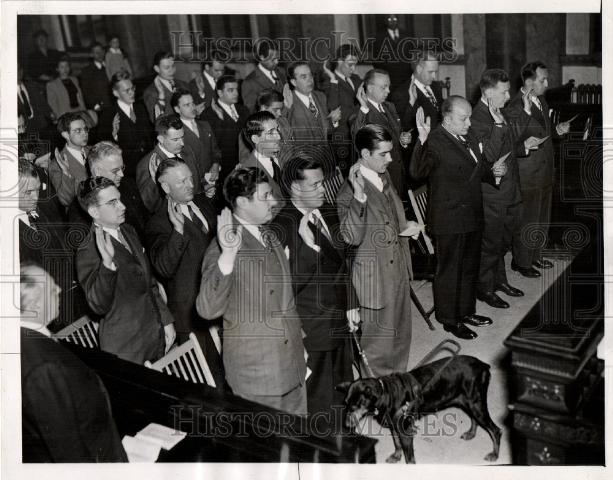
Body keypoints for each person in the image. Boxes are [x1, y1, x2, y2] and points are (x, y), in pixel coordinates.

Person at [196, 168, 307, 415]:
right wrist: (227, 256)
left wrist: (298, 344)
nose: (275, 201)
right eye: (265, 196)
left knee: (299, 440)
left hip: (290, 360)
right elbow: (207, 309)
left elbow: (284, 298)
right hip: (258, 372)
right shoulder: (222, 246)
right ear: (243, 202)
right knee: (270, 448)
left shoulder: (267, 233)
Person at [410, 96, 505, 339]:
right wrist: (421, 139)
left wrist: (493, 171)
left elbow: (479, 167)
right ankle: (450, 319)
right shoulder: (435, 140)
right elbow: (417, 172)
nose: (469, 123)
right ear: (448, 118)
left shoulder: (469, 136)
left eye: (469, 117)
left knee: (469, 267)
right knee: (451, 271)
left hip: (472, 213)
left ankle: (466, 311)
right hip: (449, 218)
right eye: (463, 118)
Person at [273, 155, 356, 427]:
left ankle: (344, 432)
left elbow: (343, 264)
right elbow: (283, 288)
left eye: (323, 183)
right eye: (316, 184)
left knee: (344, 387)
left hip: (340, 318)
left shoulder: (327, 211)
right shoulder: (282, 227)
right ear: (296, 188)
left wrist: (351, 304)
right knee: (319, 399)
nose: (323, 189)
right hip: (313, 329)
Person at [20, 262, 128, 463]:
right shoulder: (44, 369)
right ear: (35, 305)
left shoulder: (24, 339)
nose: (60, 290)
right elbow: (69, 453)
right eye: (52, 290)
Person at [336, 124, 419, 376]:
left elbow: (390, 215)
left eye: (390, 152)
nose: (390, 158)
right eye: (383, 154)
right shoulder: (348, 194)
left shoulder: (383, 176)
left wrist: (402, 227)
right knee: (378, 348)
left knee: (401, 337)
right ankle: (378, 399)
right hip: (373, 278)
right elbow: (350, 237)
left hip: (397, 269)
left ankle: (397, 390)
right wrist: (360, 198)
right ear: (364, 154)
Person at [76, 176, 176, 364]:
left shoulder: (128, 231)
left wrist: (166, 320)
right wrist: (107, 265)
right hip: (126, 349)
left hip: (154, 335)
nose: (123, 206)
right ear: (94, 211)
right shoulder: (87, 250)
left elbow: (150, 283)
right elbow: (98, 305)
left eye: (120, 199)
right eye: (113, 203)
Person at [145, 158, 224, 386]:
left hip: (219, 297)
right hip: (191, 312)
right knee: (212, 380)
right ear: (166, 187)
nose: (190, 184)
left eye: (190, 178)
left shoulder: (202, 202)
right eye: (182, 182)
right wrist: (178, 232)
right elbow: (163, 268)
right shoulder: (157, 222)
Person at [471, 69, 536, 308]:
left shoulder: (497, 111)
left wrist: (523, 146)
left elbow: (508, 144)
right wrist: (499, 127)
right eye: (504, 92)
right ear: (488, 93)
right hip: (492, 193)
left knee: (502, 240)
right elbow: (487, 157)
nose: (508, 97)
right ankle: (485, 288)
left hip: (509, 189)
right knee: (490, 244)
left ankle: (499, 280)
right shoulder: (476, 118)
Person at [504, 61, 571, 277]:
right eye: (543, 79)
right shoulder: (514, 105)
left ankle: (536, 256)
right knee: (528, 219)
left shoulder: (541, 99)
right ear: (529, 82)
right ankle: (522, 262)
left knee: (542, 217)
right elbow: (513, 140)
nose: (547, 83)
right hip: (528, 173)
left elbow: (544, 132)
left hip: (545, 170)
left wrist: (557, 131)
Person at [18, 159, 91, 330]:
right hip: (48, 314)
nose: (35, 197)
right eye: (28, 192)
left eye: (37, 190)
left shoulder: (43, 209)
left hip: (75, 301)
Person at [68, 141, 150, 243]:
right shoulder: (80, 206)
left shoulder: (128, 184)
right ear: (97, 171)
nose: (122, 174)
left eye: (122, 168)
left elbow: (146, 220)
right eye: (115, 171)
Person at [351, 68, 411, 196]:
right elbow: (357, 136)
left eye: (388, 87)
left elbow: (395, 135)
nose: (388, 91)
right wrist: (364, 108)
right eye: (383, 87)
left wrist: (402, 139)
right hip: (380, 177)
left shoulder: (389, 106)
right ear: (370, 88)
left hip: (397, 172)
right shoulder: (359, 112)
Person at [136, 114, 203, 213]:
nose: (182, 143)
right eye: (175, 140)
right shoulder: (146, 164)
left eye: (182, 137)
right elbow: (147, 204)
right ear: (161, 139)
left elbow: (196, 184)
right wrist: (154, 180)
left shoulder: (187, 151)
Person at [97, 71, 154, 178]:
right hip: (127, 172)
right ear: (115, 93)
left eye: (133, 88)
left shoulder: (140, 107)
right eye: (126, 90)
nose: (132, 93)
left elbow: (149, 136)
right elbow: (102, 148)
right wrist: (114, 135)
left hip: (147, 166)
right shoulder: (108, 115)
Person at [171, 88, 221, 195]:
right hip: (194, 187)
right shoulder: (176, 133)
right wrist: (203, 185)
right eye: (187, 105)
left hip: (212, 181)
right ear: (177, 109)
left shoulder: (205, 125)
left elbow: (215, 150)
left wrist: (216, 165)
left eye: (193, 103)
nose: (192, 107)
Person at [322, 44, 362, 174]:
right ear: (339, 61)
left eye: (355, 64)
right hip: (341, 141)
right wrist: (334, 80)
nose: (353, 68)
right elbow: (333, 109)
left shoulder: (355, 79)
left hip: (357, 137)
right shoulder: (328, 81)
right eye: (350, 64)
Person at [203, 75, 249, 187]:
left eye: (236, 89)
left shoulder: (243, 110)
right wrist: (221, 119)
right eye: (230, 90)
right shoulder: (208, 114)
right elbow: (213, 144)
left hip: (244, 163)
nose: (236, 93)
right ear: (220, 93)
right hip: (223, 168)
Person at [239, 110, 285, 213]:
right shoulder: (248, 173)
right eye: (270, 133)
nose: (278, 136)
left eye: (277, 129)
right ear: (256, 139)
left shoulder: (285, 156)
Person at [392, 51, 443, 140]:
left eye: (436, 72)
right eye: (431, 72)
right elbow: (402, 129)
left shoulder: (436, 87)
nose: (434, 76)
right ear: (419, 69)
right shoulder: (402, 93)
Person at [48, 112, 90, 207]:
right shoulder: (56, 165)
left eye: (85, 129)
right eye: (78, 131)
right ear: (66, 135)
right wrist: (66, 172)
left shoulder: (95, 151)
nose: (85, 133)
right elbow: (65, 201)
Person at [142, 51, 189, 122]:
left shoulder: (183, 84)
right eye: (167, 68)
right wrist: (161, 98)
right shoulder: (151, 92)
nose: (171, 70)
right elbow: (156, 121)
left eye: (173, 66)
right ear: (157, 69)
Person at [242, 41, 287, 113]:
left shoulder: (282, 71)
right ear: (262, 58)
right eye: (273, 59)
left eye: (278, 58)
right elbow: (252, 112)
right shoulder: (249, 82)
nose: (277, 62)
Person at [79, 43, 111, 112]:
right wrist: (95, 105)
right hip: (101, 106)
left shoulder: (110, 65)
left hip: (115, 102)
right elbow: (86, 91)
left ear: (104, 52)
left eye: (101, 51)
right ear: (91, 54)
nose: (99, 54)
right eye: (96, 52)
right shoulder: (87, 71)